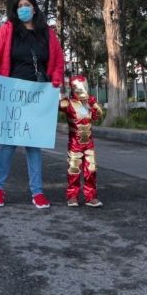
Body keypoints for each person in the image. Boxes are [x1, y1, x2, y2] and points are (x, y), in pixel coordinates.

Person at [0, 0, 64, 209]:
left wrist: (56, 79)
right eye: (19, 6)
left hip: (39, 95)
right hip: (13, 92)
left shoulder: (48, 33)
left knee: (34, 145)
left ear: (35, 9)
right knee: (8, 143)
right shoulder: (8, 30)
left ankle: (37, 192)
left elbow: (58, 60)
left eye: (27, 5)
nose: (23, 9)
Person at [59, 75, 103, 208]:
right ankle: (72, 196)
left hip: (88, 143)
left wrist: (92, 104)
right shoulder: (68, 103)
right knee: (74, 170)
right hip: (75, 144)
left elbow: (98, 115)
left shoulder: (90, 102)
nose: (83, 89)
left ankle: (91, 197)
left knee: (91, 170)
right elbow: (57, 105)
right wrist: (61, 90)